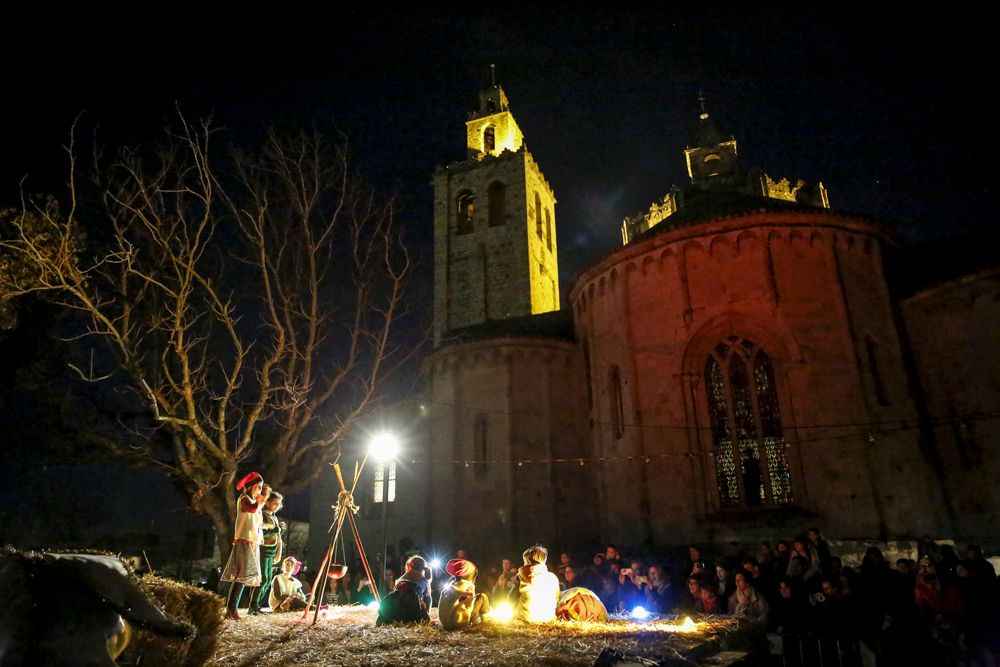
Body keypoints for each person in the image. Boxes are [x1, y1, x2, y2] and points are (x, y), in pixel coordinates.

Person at [220, 471, 269, 621]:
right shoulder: (244, 499)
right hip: (244, 540)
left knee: (244, 576)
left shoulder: (254, 501)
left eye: (261, 487)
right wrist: (261, 501)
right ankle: (232, 609)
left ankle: (232, 608)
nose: (259, 490)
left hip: (252, 541)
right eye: (258, 487)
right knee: (242, 575)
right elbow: (251, 509)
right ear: (250, 487)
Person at [439, 558, 491, 630]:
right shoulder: (468, 585)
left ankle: (476, 620)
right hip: (458, 621)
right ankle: (486, 621)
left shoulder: (452, 585)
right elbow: (470, 602)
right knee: (482, 597)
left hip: (446, 623)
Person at [254, 490, 284, 612]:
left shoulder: (273, 517)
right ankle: (253, 605)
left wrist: (280, 530)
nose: (277, 506)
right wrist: (276, 530)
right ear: (267, 503)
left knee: (267, 580)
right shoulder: (262, 515)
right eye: (275, 503)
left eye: (279, 504)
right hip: (263, 550)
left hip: (271, 551)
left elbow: (275, 534)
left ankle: (257, 605)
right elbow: (261, 532)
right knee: (263, 579)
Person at [516, 545, 560, 623]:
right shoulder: (553, 577)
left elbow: (512, 596)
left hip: (525, 618)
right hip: (547, 619)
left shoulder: (521, 576)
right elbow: (557, 598)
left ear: (527, 561)